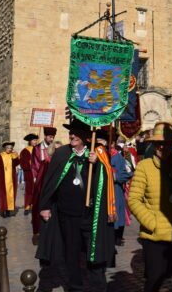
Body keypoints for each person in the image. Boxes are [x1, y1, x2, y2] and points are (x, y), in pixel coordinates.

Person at [37, 122, 117, 292]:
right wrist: (45, 206)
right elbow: (49, 182)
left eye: (76, 133)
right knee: (71, 254)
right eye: (71, 133)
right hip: (68, 215)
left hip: (90, 215)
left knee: (94, 253)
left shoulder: (98, 152)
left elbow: (108, 178)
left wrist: (97, 165)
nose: (72, 136)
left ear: (86, 136)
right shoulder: (61, 153)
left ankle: (98, 286)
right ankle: (75, 287)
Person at [128, 122, 172, 291]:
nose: (163, 147)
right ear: (153, 144)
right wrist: (152, 223)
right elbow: (134, 200)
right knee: (154, 280)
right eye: (159, 143)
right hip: (155, 238)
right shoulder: (144, 167)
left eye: (167, 143)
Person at [31, 126, 57, 241]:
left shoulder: (55, 147)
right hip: (40, 180)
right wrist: (37, 178)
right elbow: (35, 164)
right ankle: (37, 232)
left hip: (51, 179)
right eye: (50, 137)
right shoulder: (37, 148)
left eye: (53, 137)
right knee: (38, 204)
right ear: (45, 136)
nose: (51, 139)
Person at [110, 140, 133, 246]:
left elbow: (128, 172)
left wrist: (114, 176)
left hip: (115, 190)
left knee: (117, 216)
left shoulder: (118, 157)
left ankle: (116, 238)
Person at [0, 141, 20, 217]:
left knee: (11, 195)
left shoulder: (13, 155)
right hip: (2, 178)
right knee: (3, 195)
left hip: (12, 178)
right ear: (5, 148)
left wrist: (16, 155)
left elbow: (17, 163)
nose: (10, 149)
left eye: (11, 148)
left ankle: (9, 210)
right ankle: (3, 210)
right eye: (8, 148)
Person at [21, 133, 39, 215]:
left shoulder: (39, 149)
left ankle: (35, 205)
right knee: (29, 191)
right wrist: (31, 165)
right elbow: (23, 163)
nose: (35, 142)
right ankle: (27, 206)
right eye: (34, 140)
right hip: (29, 174)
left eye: (36, 140)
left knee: (37, 190)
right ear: (30, 141)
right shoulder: (25, 151)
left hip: (38, 173)